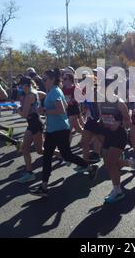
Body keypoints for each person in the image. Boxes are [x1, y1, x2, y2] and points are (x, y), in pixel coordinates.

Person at [30, 69, 98, 198]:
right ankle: (44, 186)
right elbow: (66, 105)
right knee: (47, 157)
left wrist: (44, 111)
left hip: (60, 129)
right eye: (42, 80)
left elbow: (61, 109)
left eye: (45, 79)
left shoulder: (55, 91)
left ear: (52, 80)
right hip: (52, 129)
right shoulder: (53, 91)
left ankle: (90, 167)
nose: (43, 82)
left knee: (67, 156)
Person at [99, 77, 135, 203]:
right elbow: (102, 117)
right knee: (109, 163)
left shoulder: (119, 102)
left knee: (110, 164)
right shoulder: (101, 101)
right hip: (108, 134)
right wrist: (104, 122)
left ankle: (118, 191)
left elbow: (128, 122)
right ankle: (130, 162)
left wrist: (119, 123)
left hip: (119, 135)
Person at [16, 76, 46, 183]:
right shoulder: (33, 92)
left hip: (36, 124)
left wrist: (18, 109)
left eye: (21, 85)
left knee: (40, 150)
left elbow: (24, 114)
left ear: (27, 85)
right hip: (32, 123)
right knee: (25, 148)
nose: (20, 87)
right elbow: (44, 95)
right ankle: (29, 172)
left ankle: (64, 155)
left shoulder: (30, 95)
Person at [62, 71, 84, 139]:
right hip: (66, 109)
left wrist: (73, 100)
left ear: (70, 80)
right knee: (78, 129)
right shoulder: (63, 89)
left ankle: (66, 147)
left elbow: (82, 97)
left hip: (74, 109)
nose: (63, 80)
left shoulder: (75, 88)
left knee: (69, 129)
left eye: (65, 79)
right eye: (63, 78)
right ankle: (90, 135)